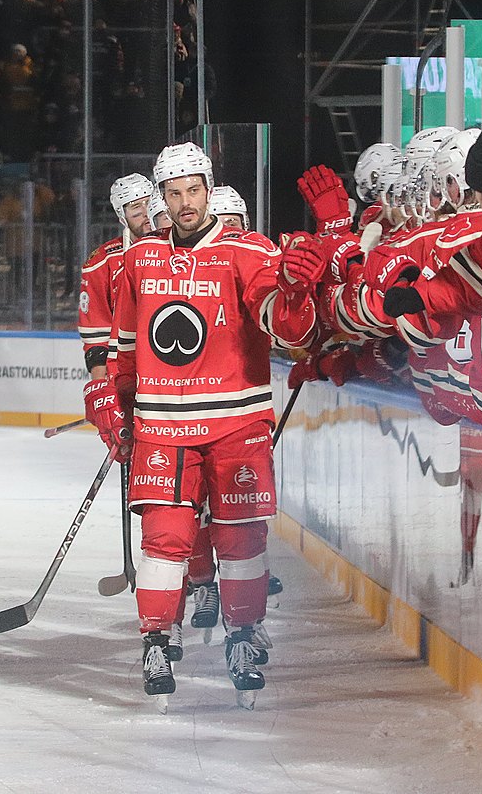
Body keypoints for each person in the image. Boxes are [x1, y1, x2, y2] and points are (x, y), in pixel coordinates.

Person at [85, 141, 323, 705]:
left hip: (236, 424)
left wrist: (294, 289)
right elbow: (121, 346)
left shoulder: (249, 251)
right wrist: (109, 399)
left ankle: (242, 634)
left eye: (194, 189)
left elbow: (286, 328)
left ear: (208, 188)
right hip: (162, 426)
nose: (185, 201)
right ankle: (155, 639)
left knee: (241, 539)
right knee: (164, 540)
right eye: (174, 192)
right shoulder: (139, 260)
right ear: (161, 196)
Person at [78, 173, 154, 378]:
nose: (146, 213)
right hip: (125, 372)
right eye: (136, 208)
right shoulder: (101, 262)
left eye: (150, 203)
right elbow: (96, 336)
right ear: (122, 217)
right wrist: (101, 390)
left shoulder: (180, 250)